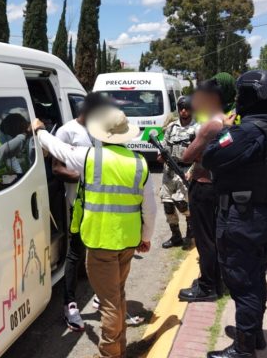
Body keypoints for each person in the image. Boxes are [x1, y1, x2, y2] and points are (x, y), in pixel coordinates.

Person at [33, 107, 156, 358]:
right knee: (117, 295)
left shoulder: (91, 157)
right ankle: (119, 347)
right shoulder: (139, 163)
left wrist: (40, 131)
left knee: (109, 302)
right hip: (128, 242)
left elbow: (60, 150)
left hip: (100, 243)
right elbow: (150, 210)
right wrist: (146, 238)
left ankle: (110, 352)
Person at [204, 70, 267, 358]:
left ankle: (244, 348)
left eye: (241, 94)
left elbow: (211, 156)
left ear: (251, 97)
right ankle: (253, 332)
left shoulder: (247, 133)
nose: (237, 99)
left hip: (244, 218)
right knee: (256, 273)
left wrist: (225, 129)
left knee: (242, 279)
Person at [51, 93, 110, 332]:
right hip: (77, 202)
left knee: (99, 249)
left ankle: (99, 296)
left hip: (100, 202)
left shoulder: (99, 132)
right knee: (75, 252)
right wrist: (83, 176)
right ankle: (70, 304)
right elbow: (57, 168)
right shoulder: (66, 132)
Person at [178, 73, 237, 302]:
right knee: (216, 235)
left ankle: (207, 286)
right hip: (221, 185)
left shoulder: (212, 125)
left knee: (205, 240)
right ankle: (214, 278)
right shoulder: (231, 119)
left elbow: (186, 155)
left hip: (203, 188)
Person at [158, 95, 197, 249]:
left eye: (186, 108)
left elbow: (200, 154)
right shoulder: (171, 127)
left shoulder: (197, 128)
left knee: (183, 204)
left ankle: (190, 234)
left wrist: (192, 171)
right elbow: (164, 144)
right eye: (181, 108)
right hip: (169, 170)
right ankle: (176, 236)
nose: (183, 111)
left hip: (186, 170)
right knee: (167, 204)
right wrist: (160, 155)